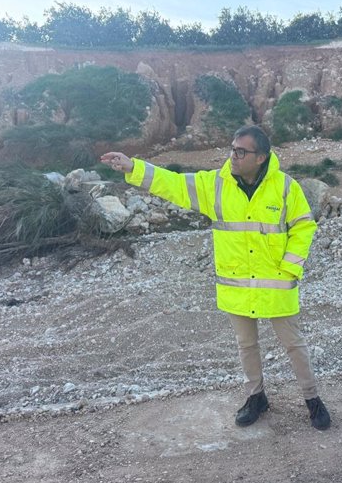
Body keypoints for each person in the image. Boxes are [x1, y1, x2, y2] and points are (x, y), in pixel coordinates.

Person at [100, 125, 330, 430]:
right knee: (246, 345)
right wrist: (134, 168)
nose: (232, 156)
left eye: (241, 151)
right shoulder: (216, 185)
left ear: (260, 157)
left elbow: (303, 226)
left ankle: (313, 400)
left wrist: (289, 267)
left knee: (293, 345)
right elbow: (174, 184)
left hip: (276, 284)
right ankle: (256, 397)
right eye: (232, 149)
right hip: (236, 285)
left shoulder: (285, 187)